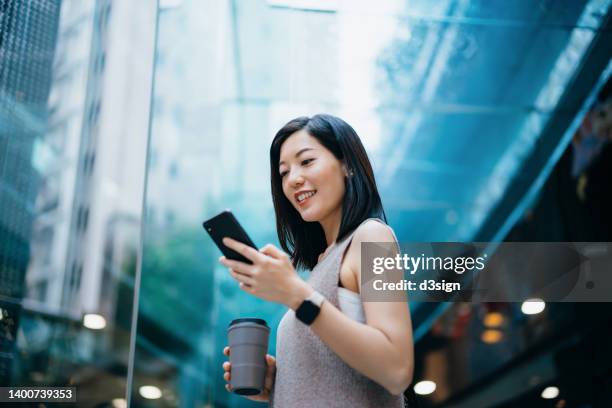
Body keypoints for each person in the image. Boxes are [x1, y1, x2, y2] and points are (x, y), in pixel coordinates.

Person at [220, 114, 414, 407]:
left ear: (347, 164)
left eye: (307, 161)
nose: (293, 179)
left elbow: (397, 369)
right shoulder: (321, 266)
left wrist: (296, 294)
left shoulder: (373, 239)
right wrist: (279, 385)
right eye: (284, 172)